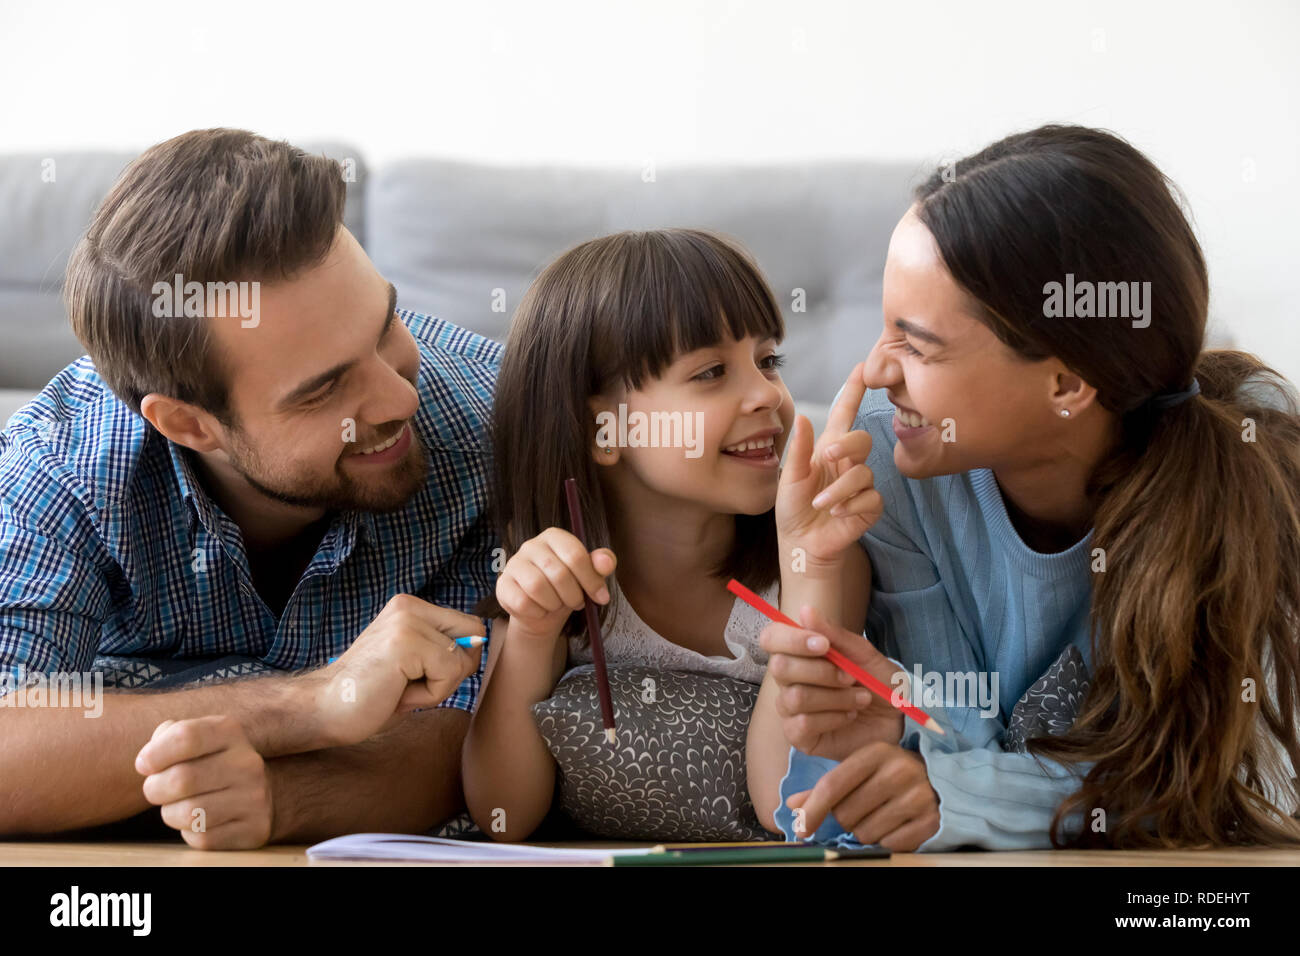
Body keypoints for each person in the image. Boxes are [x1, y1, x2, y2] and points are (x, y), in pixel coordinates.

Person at [752, 124, 1300, 851]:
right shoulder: (888, 462)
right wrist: (811, 569)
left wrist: (957, 794)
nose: (878, 372)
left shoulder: (1251, 464)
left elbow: (1244, 787)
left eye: (916, 344)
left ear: (1066, 382)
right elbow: (804, 808)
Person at [0, 129, 499, 849]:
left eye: (385, 323)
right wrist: (313, 703)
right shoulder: (62, 462)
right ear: (189, 424)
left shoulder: (498, 423)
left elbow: (485, 738)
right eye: (325, 389)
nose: (397, 398)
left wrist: (286, 799)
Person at [461, 228, 876, 840]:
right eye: (711, 372)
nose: (767, 394)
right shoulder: (552, 578)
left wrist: (812, 572)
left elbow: (786, 805)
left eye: (768, 361)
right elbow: (504, 816)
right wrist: (532, 631)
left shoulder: (814, 562)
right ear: (604, 429)